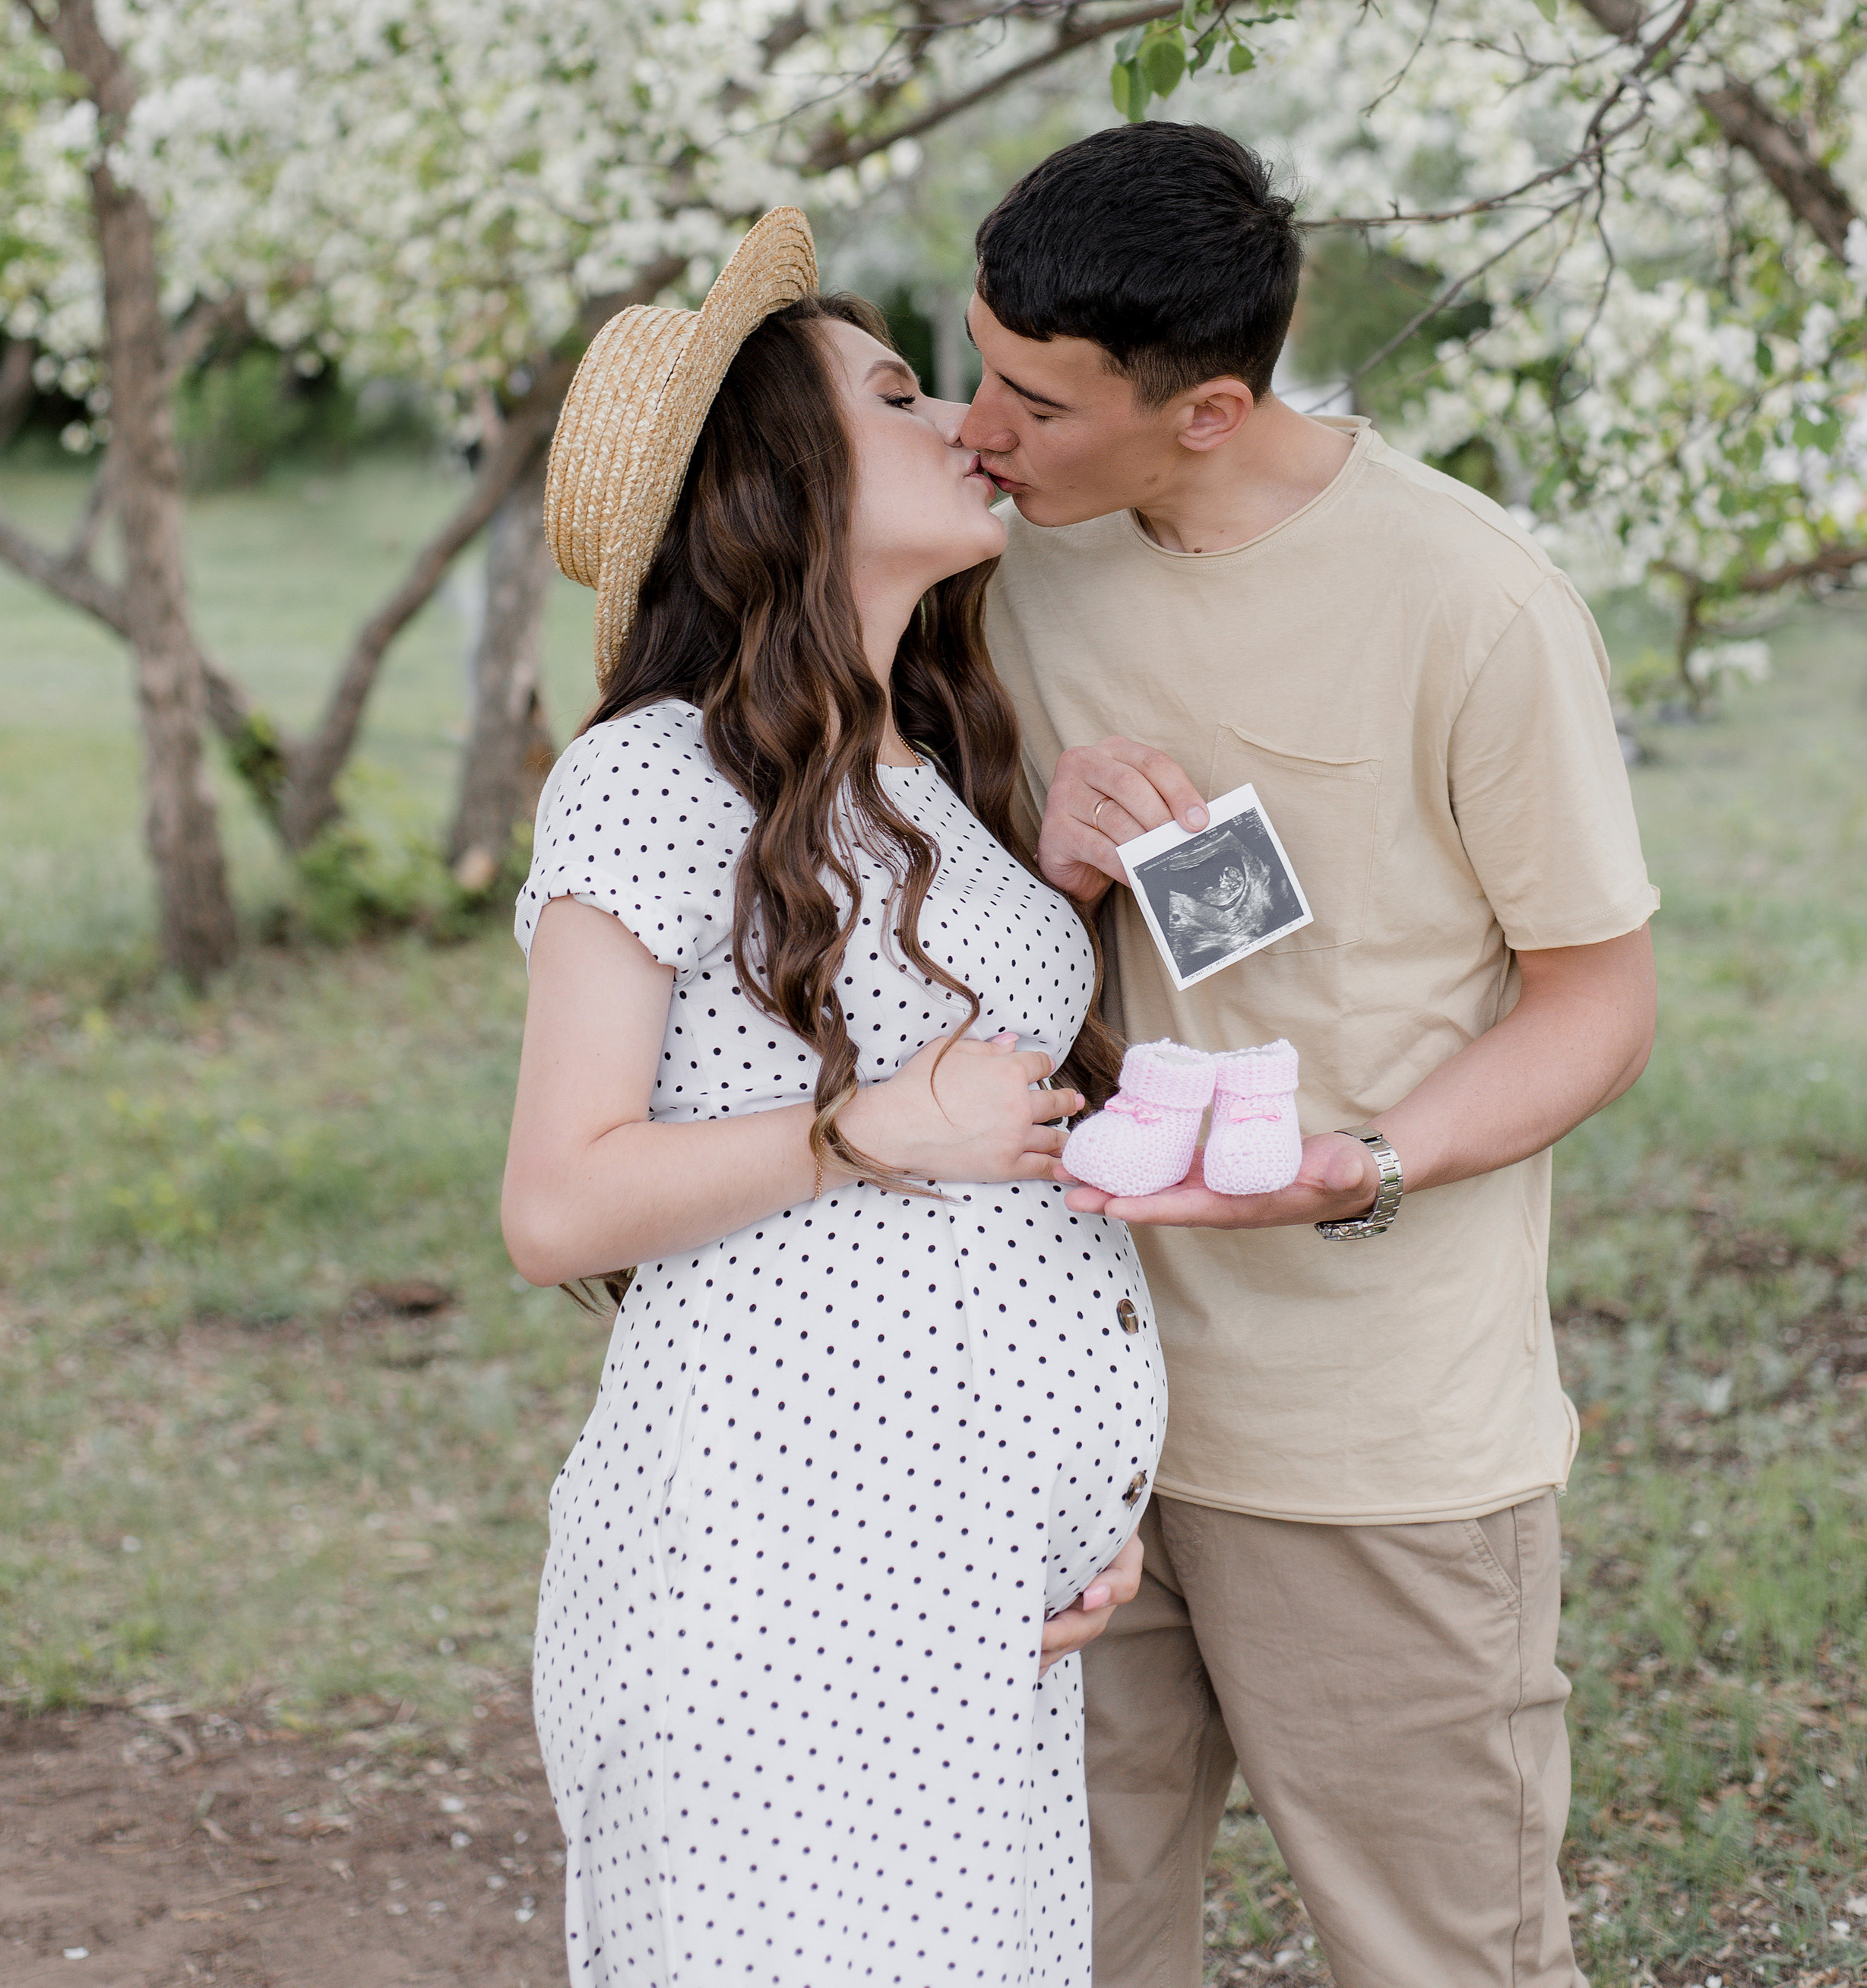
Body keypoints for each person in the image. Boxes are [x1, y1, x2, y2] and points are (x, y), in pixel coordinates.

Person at [965, 124, 1660, 1988]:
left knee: (1438, 1958)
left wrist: (1360, 1163)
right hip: (1062, 1410)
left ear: (1201, 410)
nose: (978, 426)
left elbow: (1597, 999)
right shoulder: (1005, 559)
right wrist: (1042, 829)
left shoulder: (1469, 601)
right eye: (971, 365)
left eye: (1031, 399)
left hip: (1372, 1436)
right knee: (1060, 1946)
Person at [502, 207, 1164, 1988]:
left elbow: (969, 1114)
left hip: (966, 1596)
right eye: (893, 395)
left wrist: (1059, 897)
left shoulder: (932, 778)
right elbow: (554, 1200)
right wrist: (864, 1127)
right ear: (778, 478)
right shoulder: (648, 780)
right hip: (768, 1586)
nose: (960, 418)